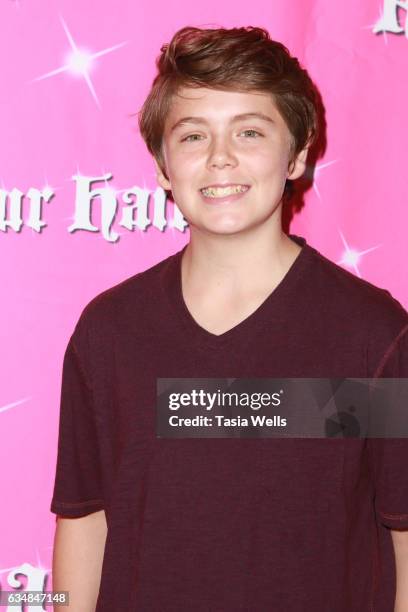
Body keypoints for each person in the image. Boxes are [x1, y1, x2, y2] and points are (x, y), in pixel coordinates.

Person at [50, 25, 408, 611]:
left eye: (249, 131)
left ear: (296, 153)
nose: (221, 157)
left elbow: (403, 532)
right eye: (193, 136)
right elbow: (85, 522)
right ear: (164, 167)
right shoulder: (110, 333)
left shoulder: (369, 334)